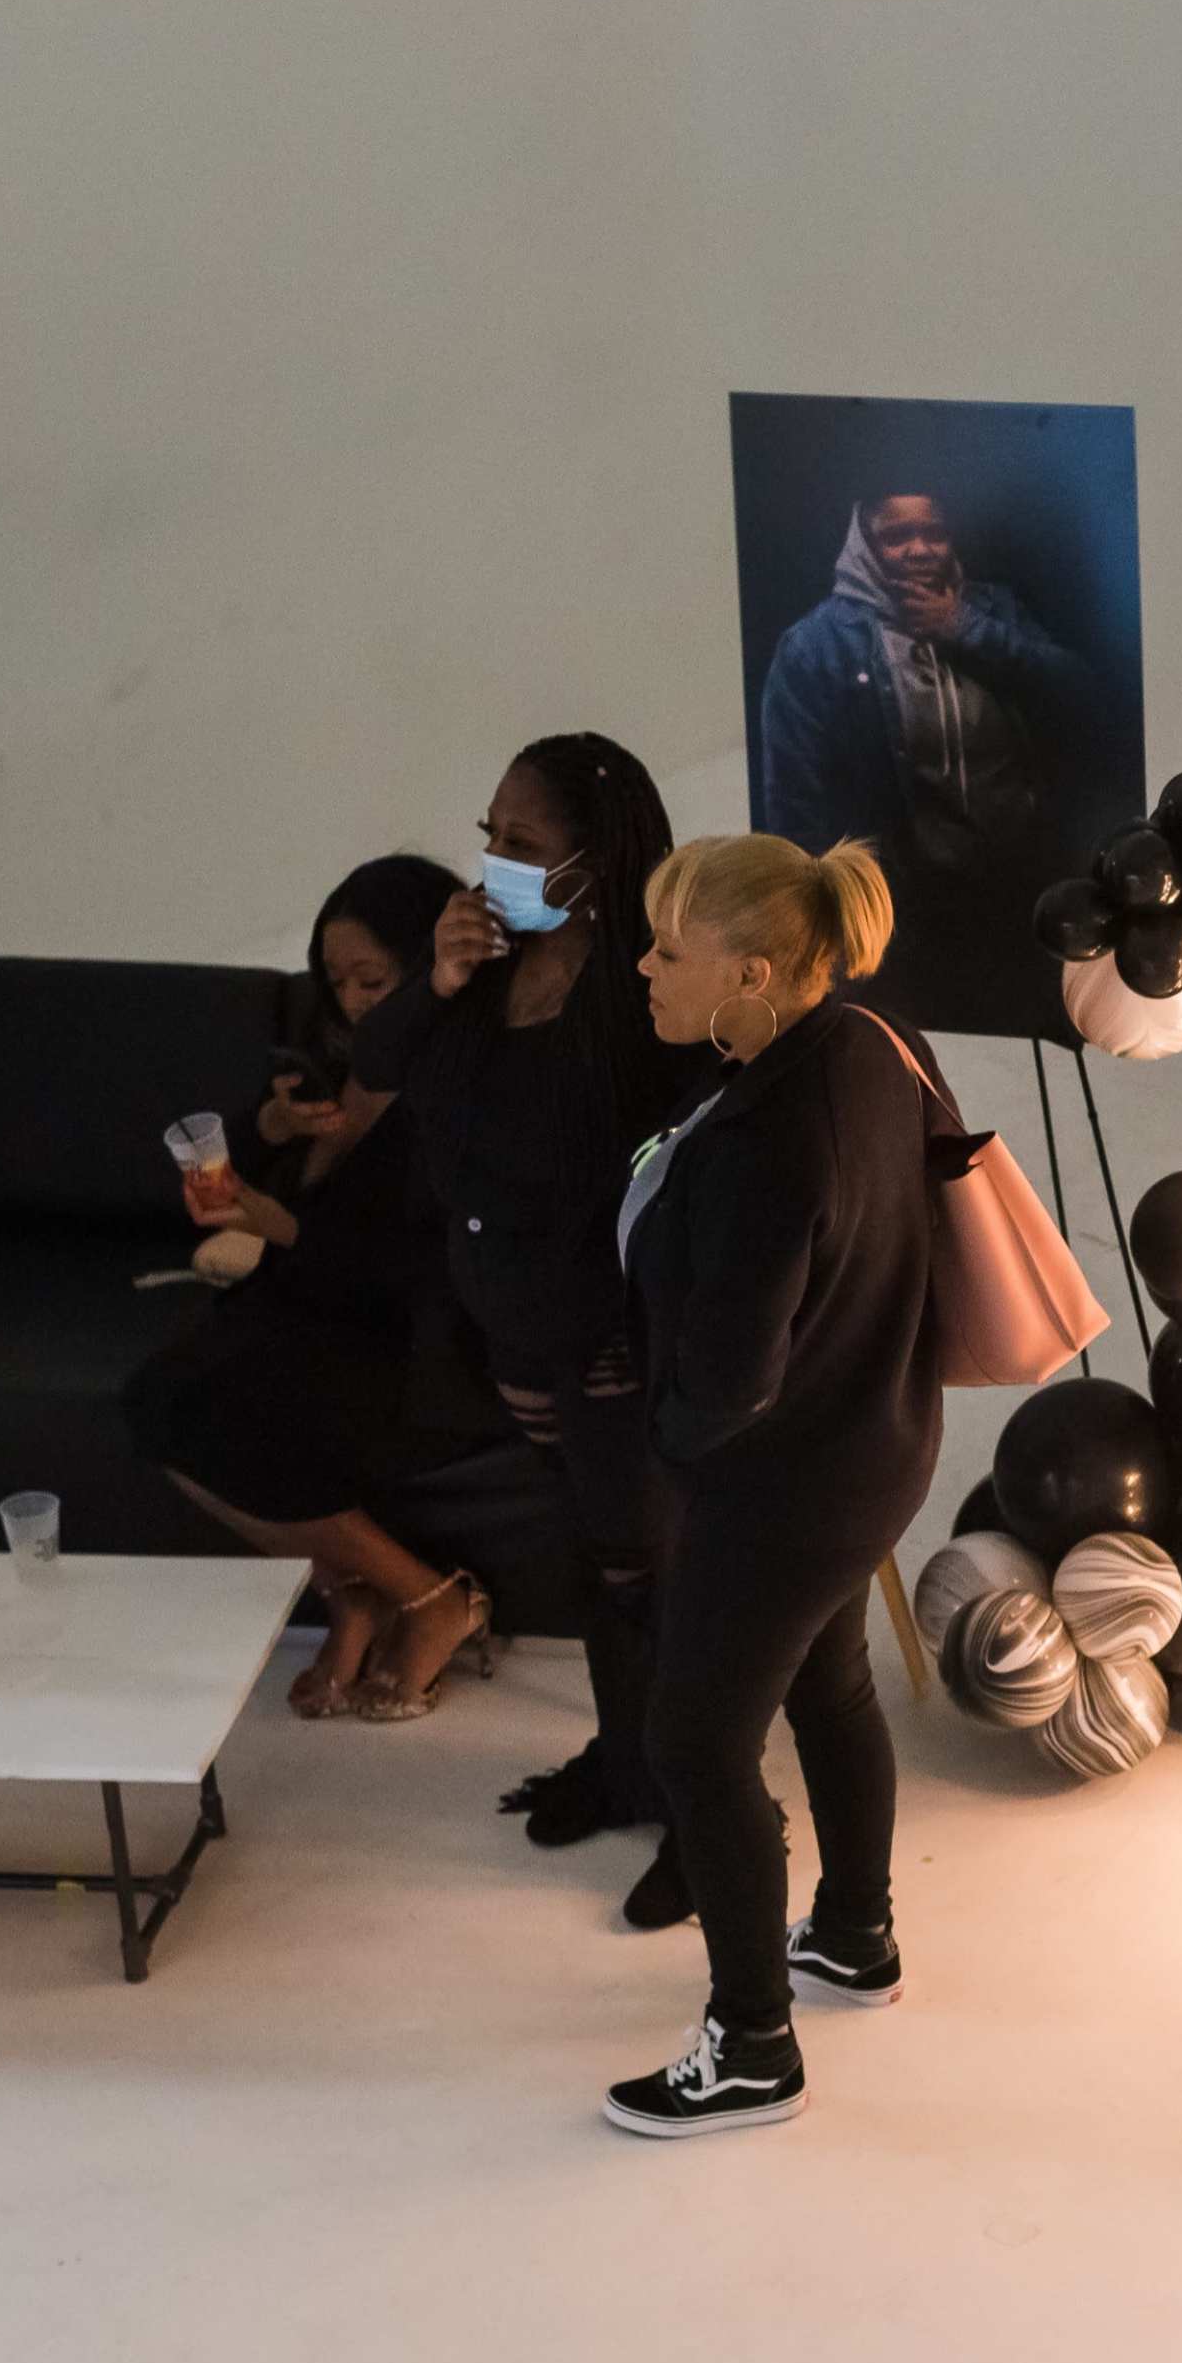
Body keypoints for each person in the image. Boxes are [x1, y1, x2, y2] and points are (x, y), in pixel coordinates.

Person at [600, 835, 945, 2139]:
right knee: (832, 1678)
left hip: (781, 1486)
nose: (642, 969)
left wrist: (672, 1451)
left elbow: (732, 1376)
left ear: (751, 974)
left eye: (666, 951)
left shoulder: (762, 1135)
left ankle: (751, 2047)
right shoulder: (866, 1031)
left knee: (692, 1740)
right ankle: (855, 1933)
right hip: (875, 1447)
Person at [353, 737, 721, 1881]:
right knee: (589, 1556)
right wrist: (439, 979)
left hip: (613, 1334)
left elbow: (693, 1163)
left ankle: (702, 1811)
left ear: (595, 862)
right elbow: (375, 1060)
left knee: (644, 1567)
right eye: (490, 836)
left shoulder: (648, 985)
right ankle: (624, 1760)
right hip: (511, 1327)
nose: (493, 863)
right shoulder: (489, 965)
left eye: (524, 844)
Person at [126, 855, 479, 1716]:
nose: (353, 999)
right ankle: (349, 1592)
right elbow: (249, 1165)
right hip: (301, 1305)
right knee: (157, 1401)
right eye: (336, 978)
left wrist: (272, 1222)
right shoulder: (333, 1053)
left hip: (399, 1333)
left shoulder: (461, 1081)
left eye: (373, 978)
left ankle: (436, 1600)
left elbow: (409, 1265)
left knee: (248, 1414)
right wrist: (270, 1126)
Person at [753, 493, 1091, 882]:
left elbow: (1083, 698)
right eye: (896, 536)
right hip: (891, 900)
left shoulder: (995, 608)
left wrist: (966, 629)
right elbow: (794, 801)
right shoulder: (815, 645)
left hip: (1017, 883)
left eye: (935, 533)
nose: (920, 550)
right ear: (863, 542)